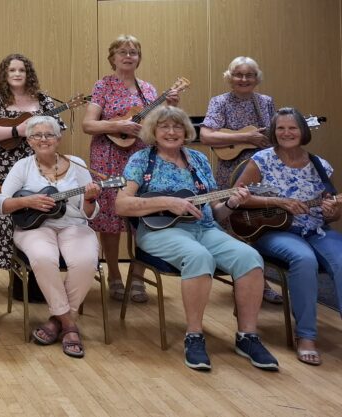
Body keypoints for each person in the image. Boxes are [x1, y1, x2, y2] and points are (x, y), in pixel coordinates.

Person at [114, 106, 277, 372]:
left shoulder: (199, 160)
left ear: (186, 131)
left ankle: (247, 336)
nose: (171, 132)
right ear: (153, 131)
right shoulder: (141, 160)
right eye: (164, 126)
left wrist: (232, 203)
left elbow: (215, 212)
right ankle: (194, 335)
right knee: (198, 257)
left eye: (177, 126)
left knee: (250, 257)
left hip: (206, 228)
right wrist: (168, 202)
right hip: (160, 232)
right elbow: (121, 205)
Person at [234, 107, 341, 366]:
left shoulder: (320, 165)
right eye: (280, 128)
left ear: (303, 131)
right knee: (304, 260)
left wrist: (332, 211)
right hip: (274, 230)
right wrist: (278, 202)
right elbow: (236, 197)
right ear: (274, 132)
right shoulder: (261, 160)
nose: (286, 133)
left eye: (292, 127)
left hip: (316, 230)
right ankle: (306, 336)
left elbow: (332, 212)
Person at [81, 34, 179, 304]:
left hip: (140, 156)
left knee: (143, 214)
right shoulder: (103, 85)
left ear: (139, 58)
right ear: (112, 57)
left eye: (133, 52)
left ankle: (138, 276)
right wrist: (118, 125)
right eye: (122, 52)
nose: (128, 56)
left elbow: (159, 126)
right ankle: (114, 274)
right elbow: (88, 125)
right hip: (107, 156)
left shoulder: (148, 90)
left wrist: (170, 107)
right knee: (110, 217)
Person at [0, 116, 100, 358]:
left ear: (58, 139)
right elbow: (0, 204)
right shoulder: (22, 166)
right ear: (29, 141)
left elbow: (90, 213)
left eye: (49, 134)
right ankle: (69, 325)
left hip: (74, 225)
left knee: (85, 261)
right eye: (37, 135)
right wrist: (27, 201)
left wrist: (90, 198)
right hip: (34, 228)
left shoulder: (78, 164)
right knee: (43, 258)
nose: (44, 139)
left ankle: (57, 320)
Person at [0, 53, 65, 304]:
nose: (16, 74)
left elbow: (59, 128)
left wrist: (40, 132)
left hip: (41, 164)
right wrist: (17, 130)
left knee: (39, 211)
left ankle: (40, 276)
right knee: (8, 214)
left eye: (21, 70)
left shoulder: (43, 100)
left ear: (28, 74)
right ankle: (15, 279)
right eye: (12, 70)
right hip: (4, 166)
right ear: (5, 74)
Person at [199, 56, 283, 305]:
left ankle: (258, 281)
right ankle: (247, 278)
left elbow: (276, 135)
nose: (243, 79)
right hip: (232, 171)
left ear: (257, 78)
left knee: (260, 221)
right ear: (229, 77)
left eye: (249, 75)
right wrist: (246, 138)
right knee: (235, 222)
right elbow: (206, 136)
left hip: (262, 171)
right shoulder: (220, 102)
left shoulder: (265, 102)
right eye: (238, 74)